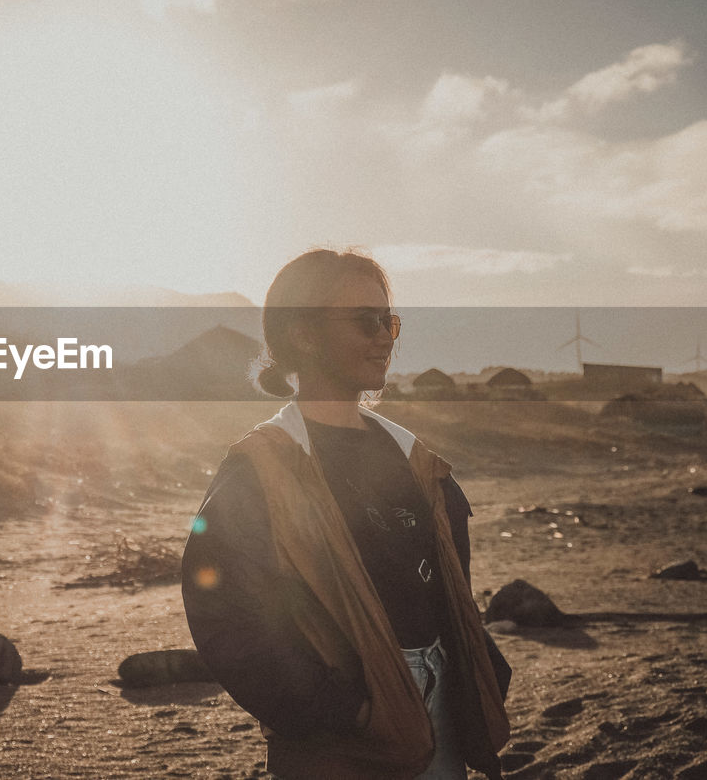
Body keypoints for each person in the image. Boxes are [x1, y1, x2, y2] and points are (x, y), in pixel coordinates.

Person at [181, 248, 510, 780]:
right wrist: (334, 708)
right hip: (338, 737)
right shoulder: (264, 465)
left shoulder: (417, 460)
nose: (384, 337)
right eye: (365, 321)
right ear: (303, 335)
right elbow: (225, 610)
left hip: (442, 710)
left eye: (390, 321)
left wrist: (482, 670)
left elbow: (447, 590)